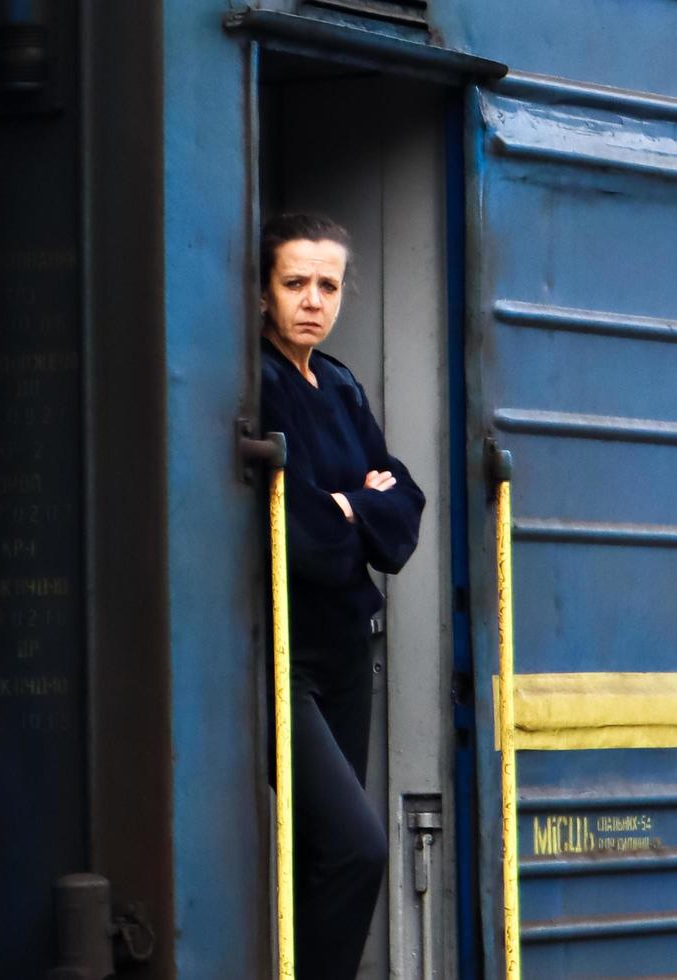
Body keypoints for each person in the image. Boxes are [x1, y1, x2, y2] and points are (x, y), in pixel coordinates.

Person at [258, 212, 424, 979]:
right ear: (263, 292)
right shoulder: (256, 382)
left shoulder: (344, 385)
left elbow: (406, 515)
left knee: (320, 851)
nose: (313, 300)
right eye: (295, 283)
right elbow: (297, 542)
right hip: (282, 654)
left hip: (346, 650)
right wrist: (360, 501)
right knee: (359, 845)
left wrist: (349, 507)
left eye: (328, 285)